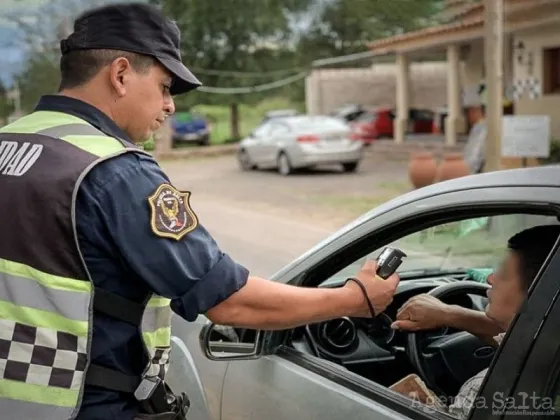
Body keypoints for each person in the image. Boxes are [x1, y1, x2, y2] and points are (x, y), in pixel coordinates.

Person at [0, 3, 400, 420]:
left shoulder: (10, 141)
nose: (170, 106)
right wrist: (354, 299)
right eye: (165, 86)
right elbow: (230, 303)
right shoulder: (114, 171)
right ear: (120, 75)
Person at [391, 224, 560, 419]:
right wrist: (449, 314)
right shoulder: (549, 346)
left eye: (503, 273)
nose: (490, 278)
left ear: (537, 294)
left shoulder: (485, 390)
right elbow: (528, 339)